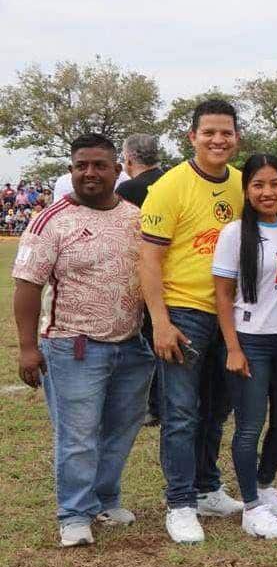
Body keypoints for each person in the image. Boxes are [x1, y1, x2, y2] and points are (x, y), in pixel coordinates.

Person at [12, 133, 154, 547]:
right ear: (72, 170)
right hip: (73, 346)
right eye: (81, 166)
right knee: (78, 436)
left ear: (118, 169)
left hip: (131, 344)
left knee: (120, 430)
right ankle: (74, 514)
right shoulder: (50, 221)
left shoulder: (136, 216)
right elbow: (26, 286)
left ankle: (105, 500)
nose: (89, 172)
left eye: (99, 165)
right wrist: (26, 347)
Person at [139, 99, 246, 544]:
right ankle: (180, 503)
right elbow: (148, 258)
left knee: (218, 409)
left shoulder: (243, 184)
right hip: (184, 311)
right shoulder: (169, 186)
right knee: (181, 413)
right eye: (209, 133)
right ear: (192, 137)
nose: (218, 140)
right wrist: (160, 322)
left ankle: (207, 488)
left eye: (226, 132)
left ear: (236, 137)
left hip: (232, 315)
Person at [212, 154, 277, 540]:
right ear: (247, 190)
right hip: (251, 341)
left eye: (274, 184)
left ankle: (265, 485)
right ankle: (250, 506)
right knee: (250, 427)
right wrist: (232, 347)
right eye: (258, 185)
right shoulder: (234, 234)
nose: (267, 192)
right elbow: (222, 295)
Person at [115, 133, 166, 426]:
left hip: (140, 271)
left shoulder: (129, 189)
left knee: (145, 339)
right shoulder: (171, 181)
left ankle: (150, 403)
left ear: (129, 158)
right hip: (173, 275)